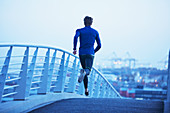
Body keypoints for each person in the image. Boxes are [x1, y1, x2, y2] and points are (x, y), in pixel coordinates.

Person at [73, 16, 101, 96]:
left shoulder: (79, 30)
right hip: (90, 53)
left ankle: (86, 89)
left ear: (84, 22)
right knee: (87, 71)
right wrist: (94, 51)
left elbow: (75, 37)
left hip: (82, 53)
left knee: (85, 70)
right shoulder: (95, 32)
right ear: (91, 23)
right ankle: (84, 73)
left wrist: (74, 49)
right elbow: (99, 45)